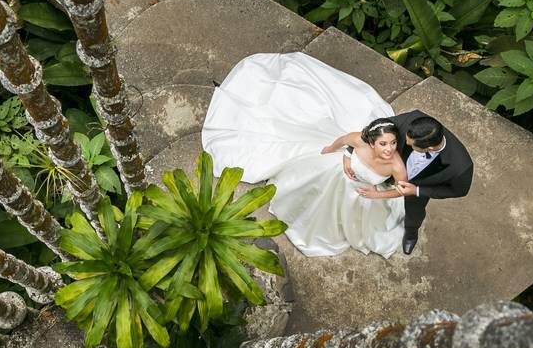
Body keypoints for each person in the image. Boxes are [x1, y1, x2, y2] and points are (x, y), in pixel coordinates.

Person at [201, 52, 405, 258]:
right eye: (383, 144)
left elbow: (401, 189)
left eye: (392, 144)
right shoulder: (360, 140)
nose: (388, 149)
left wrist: (377, 195)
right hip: (336, 176)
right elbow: (342, 142)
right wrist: (344, 157)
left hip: (363, 197)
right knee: (317, 187)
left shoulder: (396, 165)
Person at [382, 111, 473, 254]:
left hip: (418, 188)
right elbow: (381, 126)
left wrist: (416, 191)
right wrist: (352, 150)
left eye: (411, 145)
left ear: (428, 149)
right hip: (389, 169)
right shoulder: (414, 119)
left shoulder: (461, 167)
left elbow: (459, 191)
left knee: (414, 212)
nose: (405, 143)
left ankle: (411, 233)